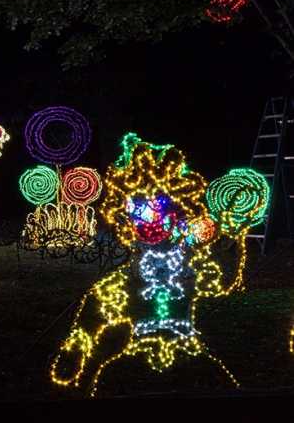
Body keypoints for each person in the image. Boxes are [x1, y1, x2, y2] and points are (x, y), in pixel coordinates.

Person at [50, 134, 264, 396]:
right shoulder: (126, 281)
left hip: (188, 354)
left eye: (160, 205)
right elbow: (95, 312)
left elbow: (223, 284)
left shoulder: (191, 267)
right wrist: (75, 349)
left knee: (213, 384)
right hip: (139, 355)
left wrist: (234, 237)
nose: (151, 215)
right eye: (140, 209)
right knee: (113, 381)